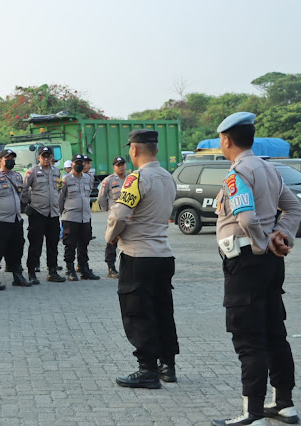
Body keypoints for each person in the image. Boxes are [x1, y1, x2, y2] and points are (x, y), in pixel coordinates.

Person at [211, 113, 301, 426]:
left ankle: (252, 414)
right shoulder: (269, 168)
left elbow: (247, 219)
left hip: (246, 263)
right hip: (269, 264)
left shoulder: (237, 173)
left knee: (248, 337)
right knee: (274, 333)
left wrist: (263, 242)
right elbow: (294, 208)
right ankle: (284, 404)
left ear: (226, 140)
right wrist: (283, 235)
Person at [105, 129, 178, 390]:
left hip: (139, 255)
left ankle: (147, 368)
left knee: (138, 312)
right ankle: (167, 365)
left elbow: (120, 215)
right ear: (156, 149)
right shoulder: (168, 178)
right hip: (163, 254)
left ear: (134, 150)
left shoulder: (136, 179)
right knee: (162, 309)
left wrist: (110, 236)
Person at [0, 149, 30, 290]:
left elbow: (21, 195)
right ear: (0, 160)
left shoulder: (17, 176)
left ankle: (18, 275)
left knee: (16, 248)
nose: (10, 160)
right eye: (7, 158)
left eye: (12, 158)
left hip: (15, 219)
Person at [21, 146, 66, 284]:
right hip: (38, 213)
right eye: (43, 156)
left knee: (53, 244)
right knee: (36, 244)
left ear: (52, 157)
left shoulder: (56, 172)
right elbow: (23, 190)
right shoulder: (32, 172)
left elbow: (58, 189)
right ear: (39, 157)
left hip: (53, 213)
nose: (46, 159)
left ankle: (52, 271)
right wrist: (28, 203)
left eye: (48, 156)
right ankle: (31, 272)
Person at [59, 155, 100, 281]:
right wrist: (63, 214)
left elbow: (87, 194)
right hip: (71, 216)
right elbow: (60, 198)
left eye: (81, 162)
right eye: (77, 162)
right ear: (72, 164)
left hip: (85, 217)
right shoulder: (65, 179)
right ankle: (70, 269)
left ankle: (84, 268)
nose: (80, 165)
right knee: (70, 244)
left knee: (84, 243)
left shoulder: (88, 178)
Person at [97, 156, 127, 278]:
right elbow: (101, 198)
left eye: (122, 164)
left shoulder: (131, 179)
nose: (121, 167)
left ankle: (127, 268)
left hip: (128, 217)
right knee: (111, 243)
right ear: (113, 167)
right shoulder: (108, 180)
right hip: (115, 218)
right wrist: (108, 212)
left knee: (129, 242)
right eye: (118, 165)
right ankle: (111, 268)